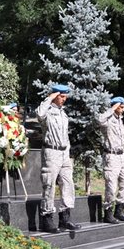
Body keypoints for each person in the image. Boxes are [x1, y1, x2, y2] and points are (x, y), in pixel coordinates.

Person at [36, 85, 81, 233]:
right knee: (49, 185)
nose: (64, 99)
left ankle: (65, 218)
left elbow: (65, 135)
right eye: (61, 96)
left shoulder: (63, 113)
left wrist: (67, 151)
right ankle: (47, 217)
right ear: (55, 95)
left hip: (64, 153)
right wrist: (49, 97)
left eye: (65, 96)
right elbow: (39, 114)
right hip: (51, 152)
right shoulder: (47, 111)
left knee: (68, 183)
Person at [98, 96, 124, 224]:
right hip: (111, 156)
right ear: (116, 106)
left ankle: (119, 211)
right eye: (121, 107)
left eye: (123, 107)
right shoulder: (107, 121)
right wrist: (112, 108)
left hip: (122, 156)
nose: (123, 109)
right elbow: (99, 120)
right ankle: (108, 212)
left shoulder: (120, 121)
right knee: (111, 186)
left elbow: (122, 141)